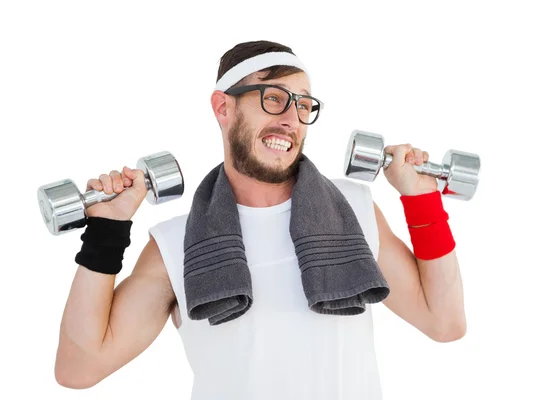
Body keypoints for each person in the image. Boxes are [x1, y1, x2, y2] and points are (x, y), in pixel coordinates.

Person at [54, 40, 467, 399]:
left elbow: (444, 321)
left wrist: (421, 200)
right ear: (223, 107)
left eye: (304, 105)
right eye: (274, 98)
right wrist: (106, 232)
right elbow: (79, 368)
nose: (291, 119)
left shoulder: (354, 210)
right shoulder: (177, 244)